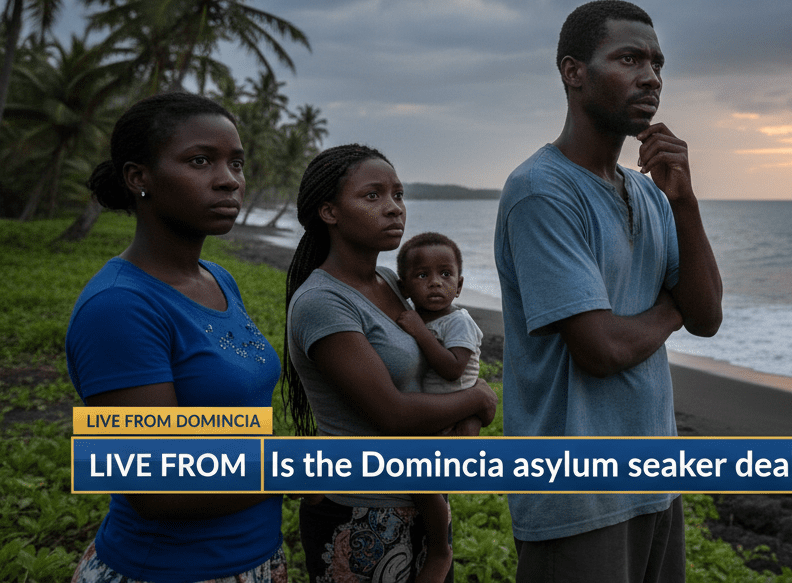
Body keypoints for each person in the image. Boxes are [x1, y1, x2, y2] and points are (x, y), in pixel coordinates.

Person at [494, 0, 723, 582]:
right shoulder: (542, 191)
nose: (651, 77)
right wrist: (670, 309)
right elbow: (600, 349)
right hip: (578, 500)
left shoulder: (649, 193)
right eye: (629, 58)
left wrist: (686, 202)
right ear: (574, 72)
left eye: (657, 63)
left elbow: (708, 315)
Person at [66, 92, 286, 583]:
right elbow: (155, 486)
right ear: (138, 177)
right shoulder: (119, 307)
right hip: (167, 570)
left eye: (237, 163)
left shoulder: (218, 278)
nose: (229, 179)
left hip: (255, 557)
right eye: (200, 160)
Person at [283, 145, 497, 583]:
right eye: (373, 196)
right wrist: (476, 397)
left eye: (398, 195)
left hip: (419, 500)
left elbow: (445, 351)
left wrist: (466, 421)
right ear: (329, 211)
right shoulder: (323, 302)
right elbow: (392, 413)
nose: (394, 209)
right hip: (363, 511)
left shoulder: (389, 283)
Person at [392, 231, 486, 582]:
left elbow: (452, 368)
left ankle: (440, 549)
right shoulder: (423, 320)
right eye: (422, 275)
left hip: (450, 418)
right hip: (437, 416)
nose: (435, 283)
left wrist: (419, 332)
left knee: (425, 485)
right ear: (404, 286)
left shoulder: (457, 321)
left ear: (459, 285)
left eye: (445, 275)